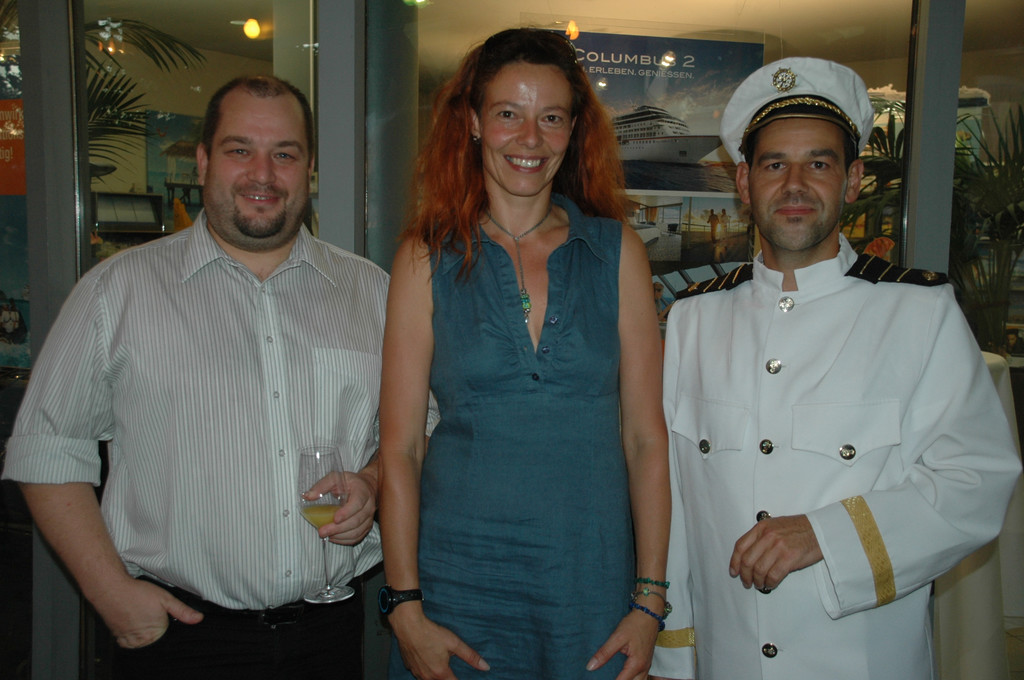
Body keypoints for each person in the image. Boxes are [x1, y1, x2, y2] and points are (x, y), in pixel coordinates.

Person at [3, 75, 387, 679]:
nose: (263, 174)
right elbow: (46, 449)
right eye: (240, 149)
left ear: (309, 168)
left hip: (329, 635)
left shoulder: (371, 292)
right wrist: (110, 592)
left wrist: (373, 480)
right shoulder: (116, 292)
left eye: (285, 154)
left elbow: (415, 429)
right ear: (204, 160)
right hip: (179, 639)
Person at [650, 57, 1022, 680]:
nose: (795, 185)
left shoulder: (918, 312)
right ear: (744, 182)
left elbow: (977, 480)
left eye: (818, 164)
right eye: (774, 165)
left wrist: (827, 535)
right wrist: (674, 657)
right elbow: (675, 505)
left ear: (852, 181)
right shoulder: (694, 319)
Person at [378, 28, 670, 680]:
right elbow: (401, 448)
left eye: (552, 118)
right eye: (509, 113)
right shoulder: (425, 257)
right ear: (473, 122)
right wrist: (404, 605)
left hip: (589, 591)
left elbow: (646, 439)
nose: (530, 138)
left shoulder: (617, 252)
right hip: (452, 591)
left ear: (574, 130)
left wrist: (650, 600)